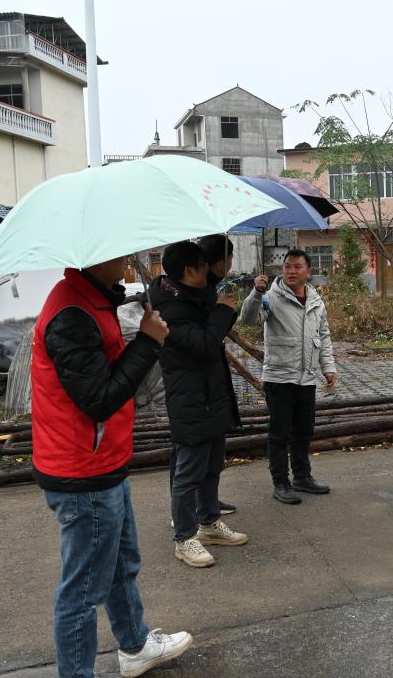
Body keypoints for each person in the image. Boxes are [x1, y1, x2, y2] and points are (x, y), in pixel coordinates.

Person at [31, 258, 192, 678]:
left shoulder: (94, 299)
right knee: (84, 590)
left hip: (102, 462)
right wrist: (148, 343)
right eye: (118, 252)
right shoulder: (71, 314)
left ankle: (135, 645)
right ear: (94, 255)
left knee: (121, 565)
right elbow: (99, 399)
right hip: (82, 472)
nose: (126, 257)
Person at [149, 241, 247, 570]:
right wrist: (222, 311)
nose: (210, 270)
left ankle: (209, 522)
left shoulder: (190, 292)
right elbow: (204, 343)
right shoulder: (168, 307)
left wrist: (220, 308)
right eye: (204, 265)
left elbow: (211, 331)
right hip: (190, 398)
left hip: (210, 393)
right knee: (188, 473)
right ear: (188, 270)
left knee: (212, 465)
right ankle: (185, 537)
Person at [240, 249, 336, 504]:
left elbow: (323, 336)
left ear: (308, 272)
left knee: (304, 431)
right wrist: (256, 292)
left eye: (297, 266)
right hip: (279, 377)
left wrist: (329, 367)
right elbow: (248, 319)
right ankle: (280, 482)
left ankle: (302, 477)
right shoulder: (270, 296)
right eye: (287, 266)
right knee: (280, 434)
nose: (291, 271)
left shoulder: (316, 300)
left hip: (307, 377)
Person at [197, 233, 240, 517]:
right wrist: (223, 310)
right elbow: (207, 340)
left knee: (212, 453)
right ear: (223, 262)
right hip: (198, 386)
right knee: (196, 456)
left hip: (210, 381)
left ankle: (207, 501)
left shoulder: (208, 286)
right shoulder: (198, 290)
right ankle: (195, 513)